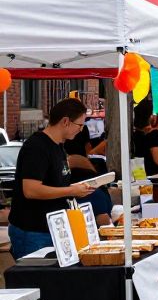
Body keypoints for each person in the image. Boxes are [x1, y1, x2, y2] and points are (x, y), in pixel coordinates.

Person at [8, 98, 99, 258]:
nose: (81, 130)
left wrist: (76, 189)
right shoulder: (37, 147)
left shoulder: (58, 146)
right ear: (65, 121)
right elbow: (31, 190)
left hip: (53, 228)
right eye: (80, 125)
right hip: (33, 230)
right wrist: (71, 190)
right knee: (35, 280)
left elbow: (57, 182)